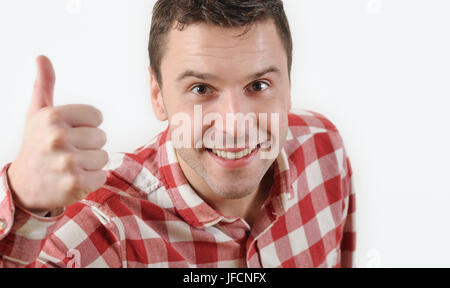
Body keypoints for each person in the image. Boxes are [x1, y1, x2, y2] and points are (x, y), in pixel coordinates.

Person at [0, 0, 355, 268]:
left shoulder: (322, 149)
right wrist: (23, 206)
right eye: (201, 89)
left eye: (258, 85)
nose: (234, 124)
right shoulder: (103, 227)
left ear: (289, 86)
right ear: (158, 96)